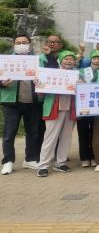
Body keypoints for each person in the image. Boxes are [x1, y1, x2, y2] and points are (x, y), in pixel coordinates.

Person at [1, 35, 43, 175]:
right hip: (11, 102)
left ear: (30, 44)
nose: (21, 45)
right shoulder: (5, 60)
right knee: (9, 133)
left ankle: (30, 159)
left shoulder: (38, 60)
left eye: (24, 42)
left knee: (33, 132)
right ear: (14, 45)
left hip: (32, 101)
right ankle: (8, 161)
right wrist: (2, 83)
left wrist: (40, 80)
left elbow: (46, 76)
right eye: (18, 43)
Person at [36, 50, 78, 177]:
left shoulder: (78, 74)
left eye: (71, 59)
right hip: (54, 108)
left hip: (70, 109)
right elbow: (41, 93)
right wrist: (39, 83)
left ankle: (60, 162)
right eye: (66, 59)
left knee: (66, 137)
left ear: (74, 62)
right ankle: (43, 165)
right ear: (60, 61)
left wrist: (81, 84)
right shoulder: (50, 73)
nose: (69, 61)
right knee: (50, 137)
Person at [77, 49, 99, 168]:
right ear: (90, 60)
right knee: (83, 132)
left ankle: (95, 156)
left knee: (96, 133)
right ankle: (85, 157)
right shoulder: (82, 71)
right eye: (94, 58)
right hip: (84, 105)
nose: (96, 61)